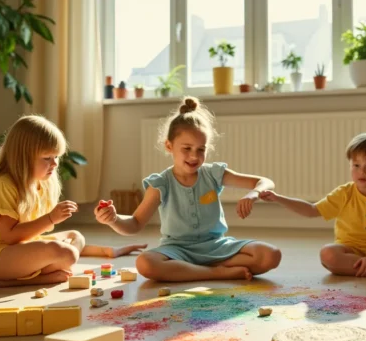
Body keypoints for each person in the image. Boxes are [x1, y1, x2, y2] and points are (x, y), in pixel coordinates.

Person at [95, 96, 281, 282]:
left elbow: (264, 181)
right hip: (177, 250)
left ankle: (195, 270)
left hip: (217, 246)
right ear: (169, 146)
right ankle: (216, 272)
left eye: (201, 149)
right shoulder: (161, 184)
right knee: (145, 263)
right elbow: (135, 223)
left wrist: (253, 193)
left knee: (271, 255)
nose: (194, 156)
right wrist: (114, 220)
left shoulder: (213, 174)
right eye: (187, 148)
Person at [0, 115, 146, 288]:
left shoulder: (42, 183)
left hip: (16, 252)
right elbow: (11, 237)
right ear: (22, 158)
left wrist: (108, 251)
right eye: (47, 158)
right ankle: (0, 280)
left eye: (56, 157)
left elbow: (32, 238)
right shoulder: (2, 185)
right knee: (67, 253)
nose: (55, 164)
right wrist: (50, 218)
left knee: (75, 236)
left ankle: (3, 275)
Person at [260, 132, 366, 277]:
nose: (362, 171)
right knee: (328, 254)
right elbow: (311, 210)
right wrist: (278, 198)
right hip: (350, 252)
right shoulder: (343, 193)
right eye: (356, 165)